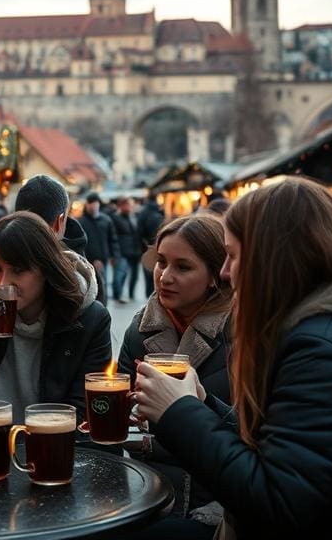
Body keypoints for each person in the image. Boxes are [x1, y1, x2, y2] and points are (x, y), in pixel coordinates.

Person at [134, 177, 332, 539]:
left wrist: (179, 413)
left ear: (272, 259)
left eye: (234, 256)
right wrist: (204, 406)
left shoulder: (327, 351)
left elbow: (275, 503)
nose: (225, 272)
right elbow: (291, 452)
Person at [118, 214, 232, 537]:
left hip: (219, 500)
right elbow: (123, 420)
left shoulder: (241, 332)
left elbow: (244, 434)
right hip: (150, 491)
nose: (164, 277)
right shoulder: (140, 330)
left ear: (214, 274)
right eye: (161, 262)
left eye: (183, 267)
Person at [0, 212, 111, 422]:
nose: (2, 284)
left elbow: (83, 416)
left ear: (46, 270)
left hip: (50, 448)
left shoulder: (88, 321)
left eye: (19, 270)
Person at [0, 174, 88, 328]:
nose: (3, 284)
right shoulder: (84, 274)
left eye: (19, 270)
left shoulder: (77, 269)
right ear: (60, 222)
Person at [78, 191, 117, 306]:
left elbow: (112, 239)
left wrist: (114, 255)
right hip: (86, 261)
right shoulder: (81, 222)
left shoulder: (106, 220)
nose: (93, 206)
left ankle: (103, 308)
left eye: (95, 203)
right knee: (89, 287)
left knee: (103, 285)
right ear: (87, 205)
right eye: (90, 203)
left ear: (98, 204)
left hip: (103, 260)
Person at [110, 195, 142, 303]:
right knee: (120, 274)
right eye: (128, 204)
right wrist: (113, 253)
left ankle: (131, 294)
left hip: (135, 251)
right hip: (122, 251)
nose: (130, 207)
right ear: (122, 205)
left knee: (135, 274)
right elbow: (112, 236)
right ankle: (117, 295)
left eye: (131, 205)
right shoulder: (115, 218)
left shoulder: (134, 217)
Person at [136, 191, 165, 298]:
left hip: (146, 247)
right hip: (158, 247)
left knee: (148, 274)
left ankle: (149, 298)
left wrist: (142, 248)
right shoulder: (159, 212)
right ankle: (155, 297)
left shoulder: (143, 213)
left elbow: (139, 232)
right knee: (158, 272)